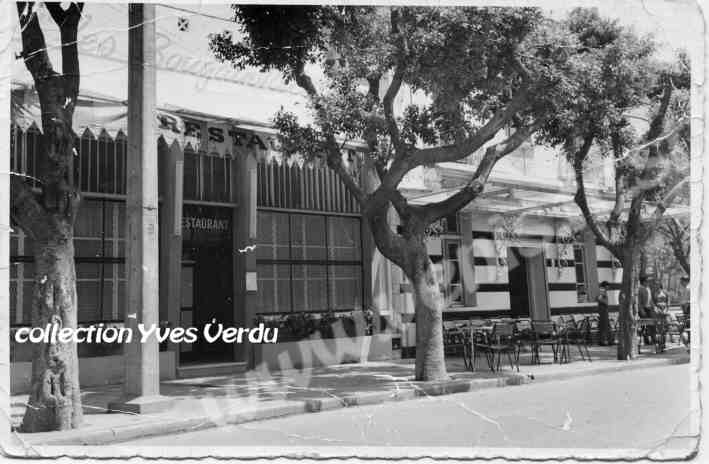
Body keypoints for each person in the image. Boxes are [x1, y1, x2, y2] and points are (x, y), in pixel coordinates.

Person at [637, 276, 656, 345]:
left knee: (652, 324)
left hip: (649, 308)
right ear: (644, 282)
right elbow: (638, 301)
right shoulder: (640, 289)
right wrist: (641, 310)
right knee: (645, 325)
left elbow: (650, 299)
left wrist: (654, 307)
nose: (648, 282)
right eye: (647, 281)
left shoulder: (648, 288)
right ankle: (646, 340)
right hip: (643, 309)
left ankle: (653, 339)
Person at [597, 281, 613, 345]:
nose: (608, 287)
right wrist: (606, 303)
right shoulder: (602, 290)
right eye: (608, 286)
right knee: (604, 325)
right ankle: (602, 341)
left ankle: (609, 340)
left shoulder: (603, 290)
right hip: (603, 309)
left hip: (604, 310)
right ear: (605, 286)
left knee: (607, 325)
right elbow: (599, 298)